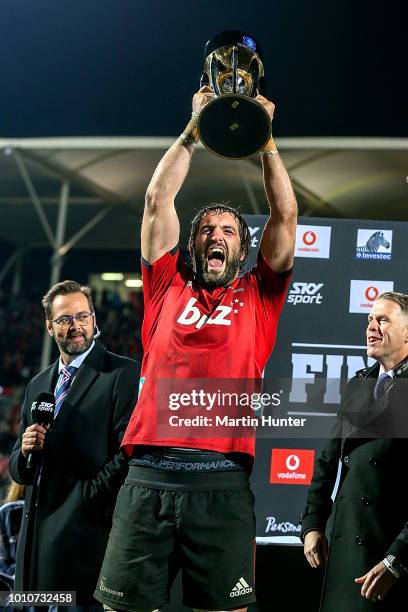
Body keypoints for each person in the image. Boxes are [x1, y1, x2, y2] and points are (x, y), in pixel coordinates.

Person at [94, 85, 297, 612]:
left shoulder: (259, 295)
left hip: (222, 484)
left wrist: (267, 141)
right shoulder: (166, 285)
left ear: (242, 246)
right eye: (207, 229)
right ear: (191, 243)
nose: (217, 235)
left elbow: (286, 218)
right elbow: (157, 201)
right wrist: (194, 128)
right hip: (147, 478)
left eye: (229, 230)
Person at [9, 280, 140, 610]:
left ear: (94, 320)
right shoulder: (39, 384)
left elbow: (130, 452)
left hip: (87, 539)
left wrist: (87, 498)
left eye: (83, 316)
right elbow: (18, 468)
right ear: (50, 326)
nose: (76, 326)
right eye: (66, 319)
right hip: (35, 542)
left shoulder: (121, 373)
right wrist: (25, 452)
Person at [301, 291, 408, 611]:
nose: (371, 327)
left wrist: (397, 560)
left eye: (383, 320)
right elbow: (326, 460)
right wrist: (312, 524)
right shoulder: (358, 383)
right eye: (369, 320)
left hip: (390, 555)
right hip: (346, 550)